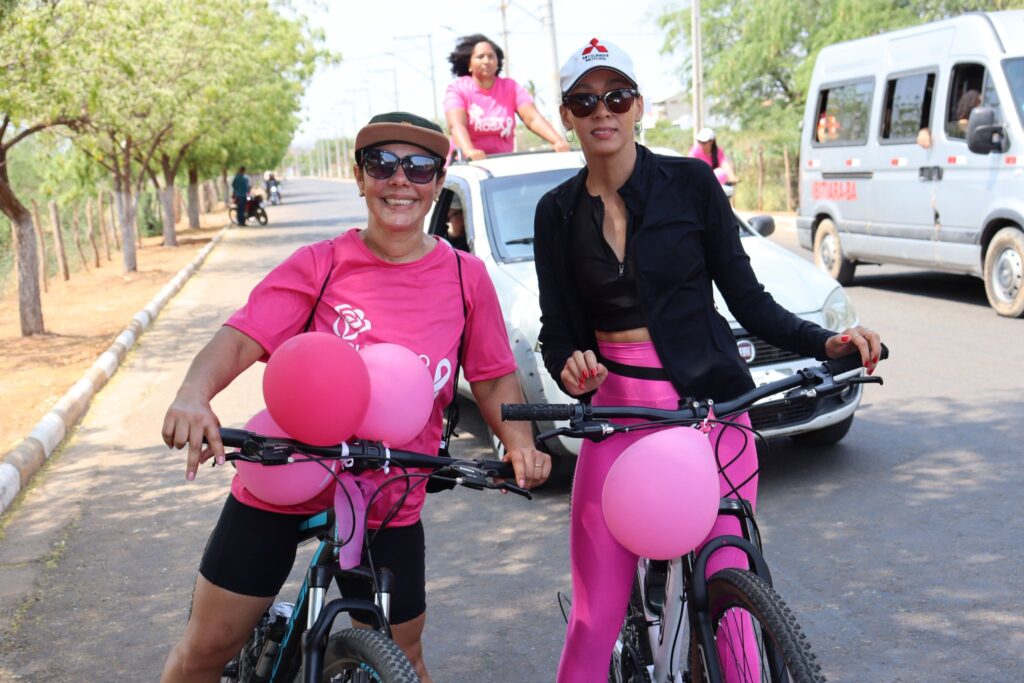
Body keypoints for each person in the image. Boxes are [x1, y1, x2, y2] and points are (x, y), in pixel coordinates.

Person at [533, 39, 883, 681]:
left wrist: (823, 342)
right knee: (594, 619)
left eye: (616, 96)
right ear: (567, 116)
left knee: (732, 601)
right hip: (619, 421)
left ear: (638, 106)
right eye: (584, 101)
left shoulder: (691, 184)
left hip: (712, 415)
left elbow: (748, 299)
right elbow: (557, 333)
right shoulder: (555, 211)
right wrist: (570, 367)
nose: (602, 111)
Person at [159, 111, 550, 683]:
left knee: (404, 659)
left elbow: (491, 376)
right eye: (382, 164)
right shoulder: (320, 265)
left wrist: (519, 443)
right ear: (360, 177)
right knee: (206, 649)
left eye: (419, 167)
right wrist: (194, 395)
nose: (400, 180)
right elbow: (242, 337)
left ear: (438, 182)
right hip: (285, 477)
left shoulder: (465, 277)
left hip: (390, 492)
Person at [444, 33, 570, 160]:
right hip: (468, 164)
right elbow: (456, 125)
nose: (486, 61)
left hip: (503, 162)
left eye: (491, 56)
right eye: (480, 57)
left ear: (498, 62)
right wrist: (469, 151)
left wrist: (557, 141)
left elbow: (532, 119)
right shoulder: (458, 89)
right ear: (469, 64)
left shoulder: (511, 87)